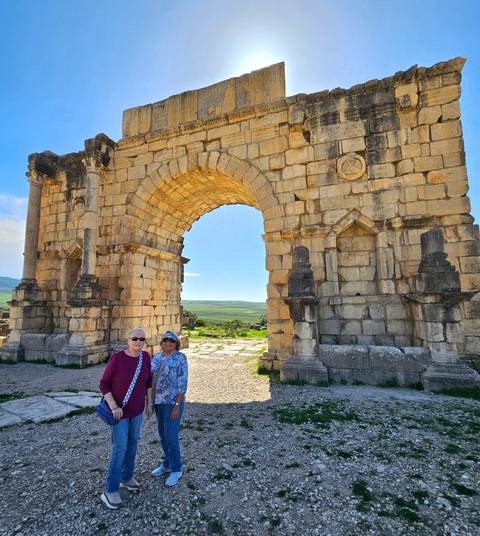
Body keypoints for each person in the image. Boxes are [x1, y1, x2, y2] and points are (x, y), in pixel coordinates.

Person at [99, 327, 153, 509]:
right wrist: (113, 405)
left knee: (133, 443)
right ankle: (110, 489)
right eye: (135, 338)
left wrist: (149, 403)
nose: (138, 341)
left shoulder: (145, 357)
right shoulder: (117, 359)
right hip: (120, 413)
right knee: (119, 448)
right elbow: (103, 384)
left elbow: (148, 382)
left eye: (141, 339)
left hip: (137, 411)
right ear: (128, 340)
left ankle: (127, 476)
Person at [150, 331, 188, 487]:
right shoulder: (157, 357)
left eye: (171, 341)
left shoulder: (180, 358)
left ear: (176, 343)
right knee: (163, 435)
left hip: (173, 403)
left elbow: (182, 383)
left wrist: (176, 406)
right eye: (165, 341)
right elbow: (149, 376)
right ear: (162, 342)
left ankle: (176, 469)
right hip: (159, 402)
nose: (168, 343)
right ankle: (166, 463)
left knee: (171, 436)